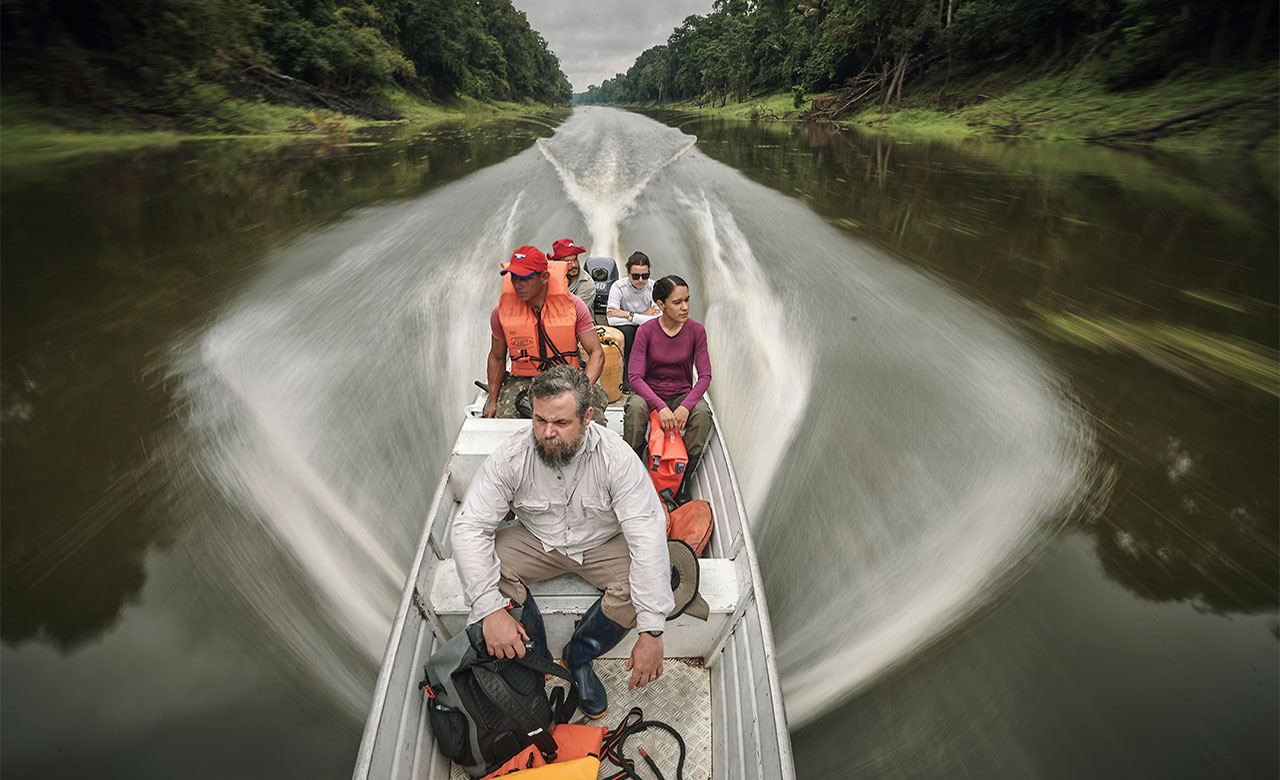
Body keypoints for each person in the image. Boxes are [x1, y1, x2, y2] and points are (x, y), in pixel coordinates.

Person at [453, 365, 674, 719]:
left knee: (648, 581)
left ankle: (580, 655)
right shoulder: (512, 457)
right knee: (484, 562)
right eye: (540, 420)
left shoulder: (617, 459)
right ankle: (535, 659)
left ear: (586, 417)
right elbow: (469, 526)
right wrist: (490, 611)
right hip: (537, 541)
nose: (547, 433)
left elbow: (647, 536)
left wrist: (651, 632)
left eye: (560, 422)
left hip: (601, 544)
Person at [485, 245, 607, 422]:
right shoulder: (500, 313)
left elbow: (596, 352)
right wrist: (493, 402)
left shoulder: (575, 307)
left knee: (592, 419)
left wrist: (583, 391)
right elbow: (497, 358)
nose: (517, 284)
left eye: (525, 278)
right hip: (524, 379)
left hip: (568, 376)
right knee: (507, 419)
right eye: (514, 277)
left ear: (544, 277)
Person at [624, 275, 712, 504]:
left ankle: (684, 480)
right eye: (677, 302)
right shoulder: (646, 332)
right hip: (651, 394)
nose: (685, 307)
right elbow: (634, 377)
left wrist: (685, 407)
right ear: (661, 305)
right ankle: (632, 470)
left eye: (687, 300)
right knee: (635, 406)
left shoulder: (696, 331)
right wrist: (661, 407)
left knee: (702, 413)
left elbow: (705, 376)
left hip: (681, 394)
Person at [606, 252, 659, 387]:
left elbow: (657, 320)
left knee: (646, 332)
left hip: (643, 326)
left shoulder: (654, 287)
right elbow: (612, 320)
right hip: (627, 327)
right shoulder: (618, 286)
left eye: (645, 276)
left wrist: (626, 314)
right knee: (628, 333)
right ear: (628, 274)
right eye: (636, 276)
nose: (640, 280)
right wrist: (644, 315)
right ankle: (627, 378)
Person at [549, 238, 595, 310]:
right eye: (568, 261)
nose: (574, 265)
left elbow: (573, 312)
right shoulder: (548, 279)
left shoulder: (587, 284)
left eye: (575, 259)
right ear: (557, 263)